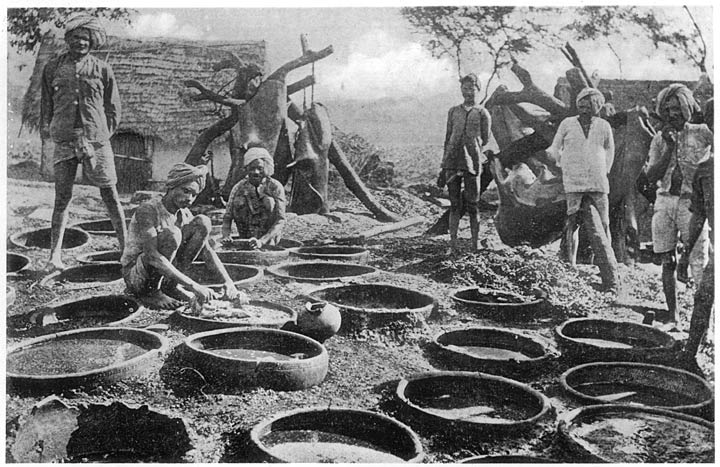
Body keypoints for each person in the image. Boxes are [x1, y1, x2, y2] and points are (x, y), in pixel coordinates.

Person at [41, 14, 127, 272]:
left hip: (97, 142)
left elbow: (114, 109)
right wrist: (54, 130)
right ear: (68, 40)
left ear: (91, 42)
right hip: (65, 141)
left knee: (110, 194)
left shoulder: (102, 69)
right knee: (62, 198)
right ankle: (54, 257)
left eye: (85, 38)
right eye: (76, 37)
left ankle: (127, 250)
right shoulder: (53, 67)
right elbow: (47, 105)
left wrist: (101, 136)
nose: (80, 42)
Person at [640, 85, 712, 328]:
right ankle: (673, 315)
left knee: (697, 261)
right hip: (665, 201)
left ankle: (704, 324)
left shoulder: (703, 133)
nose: (673, 114)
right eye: (668, 110)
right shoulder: (660, 139)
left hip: (693, 205)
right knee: (667, 260)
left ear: (688, 108)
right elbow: (650, 176)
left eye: (678, 109)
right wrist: (669, 148)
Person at [121, 163, 241, 309]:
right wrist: (193, 286)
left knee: (203, 222)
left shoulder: (183, 213)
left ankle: (171, 286)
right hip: (137, 276)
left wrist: (228, 281)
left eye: (194, 195)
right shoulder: (148, 210)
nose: (190, 199)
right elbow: (151, 255)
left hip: (162, 271)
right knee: (173, 234)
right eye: (186, 191)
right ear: (172, 186)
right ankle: (152, 292)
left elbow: (207, 250)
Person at [548, 87, 619, 291]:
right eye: (581, 105)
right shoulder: (567, 123)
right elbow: (555, 147)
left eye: (588, 106)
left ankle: (605, 264)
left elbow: (609, 150)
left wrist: (604, 169)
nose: (584, 109)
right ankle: (570, 263)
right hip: (574, 178)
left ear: (596, 107)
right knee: (572, 221)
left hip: (597, 179)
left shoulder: (603, 125)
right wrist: (563, 164)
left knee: (603, 222)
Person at [677, 98, 713, 371]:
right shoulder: (705, 170)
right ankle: (690, 356)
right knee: (704, 295)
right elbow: (699, 215)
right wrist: (685, 253)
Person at [438, 73, 491, 250]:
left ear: (478, 89)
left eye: (472, 88)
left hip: (472, 163)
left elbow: (485, 137)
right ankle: (452, 245)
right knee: (454, 204)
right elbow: (448, 137)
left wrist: (472, 149)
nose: (468, 92)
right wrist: (444, 163)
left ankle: (474, 245)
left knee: (473, 205)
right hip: (452, 162)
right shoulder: (453, 111)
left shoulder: (482, 113)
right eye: (465, 88)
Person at [220, 147, 286, 249]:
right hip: (245, 238)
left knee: (269, 201)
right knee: (239, 201)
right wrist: (226, 236)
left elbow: (280, 220)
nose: (256, 172)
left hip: (268, 241)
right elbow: (227, 217)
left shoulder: (275, 187)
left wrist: (262, 241)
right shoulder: (238, 187)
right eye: (252, 168)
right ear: (246, 169)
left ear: (266, 168)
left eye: (260, 168)